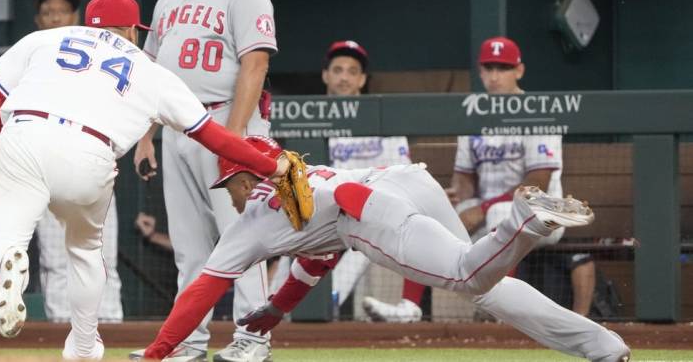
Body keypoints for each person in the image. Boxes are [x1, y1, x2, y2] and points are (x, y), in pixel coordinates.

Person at [0, 0, 288, 360]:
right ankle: (85, 345)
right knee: (85, 251)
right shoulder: (149, 71)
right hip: (90, 152)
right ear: (134, 32)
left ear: (89, 22)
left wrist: (23, 135)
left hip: (25, 133)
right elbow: (214, 136)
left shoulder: (44, 39)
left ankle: (6, 265)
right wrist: (271, 166)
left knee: (1, 240)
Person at [134, 136, 630, 362]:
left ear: (243, 177)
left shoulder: (249, 226)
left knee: (467, 275)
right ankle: (602, 346)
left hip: (366, 208)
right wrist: (280, 307)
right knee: (491, 286)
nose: (233, 197)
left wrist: (158, 353)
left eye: (231, 186)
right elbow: (317, 254)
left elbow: (199, 291)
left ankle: (522, 222)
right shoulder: (296, 172)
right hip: (406, 181)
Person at [361, 36, 597, 321]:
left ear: (519, 71)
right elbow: (465, 178)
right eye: (490, 68)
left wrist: (481, 209)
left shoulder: (537, 110)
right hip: (487, 215)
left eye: (503, 68)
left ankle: (495, 313)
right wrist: (455, 195)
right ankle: (409, 307)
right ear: (481, 71)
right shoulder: (473, 114)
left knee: (500, 213)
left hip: (541, 214)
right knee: (429, 220)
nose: (495, 76)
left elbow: (538, 184)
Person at [133, 0, 277, 360]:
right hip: (178, 128)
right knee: (190, 246)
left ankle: (254, 340)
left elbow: (255, 65)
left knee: (244, 240)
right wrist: (145, 137)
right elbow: (152, 72)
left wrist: (231, 141)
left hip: (223, 123)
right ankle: (188, 342)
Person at [32, 0, 124, 324]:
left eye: (61, 10)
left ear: (75, 16)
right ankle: (60, 332)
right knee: (56, 261)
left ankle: (112, 331)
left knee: (100, 258)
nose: (55, 17)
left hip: (92, 166)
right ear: (38, 20)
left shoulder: (99, 57)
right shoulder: (31, 56)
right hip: (45, 168)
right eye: (47, 12)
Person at [318, 40, 415, 319]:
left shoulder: (381, 119)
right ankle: (278, 312)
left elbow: (401, 178)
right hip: (323, 212)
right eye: (337, 70)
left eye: (351, 71)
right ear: (326, 75)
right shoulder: (310, 118)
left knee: (363, 241)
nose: (344, 77)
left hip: (368, 213)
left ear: (362, 79)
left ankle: (329, 304)